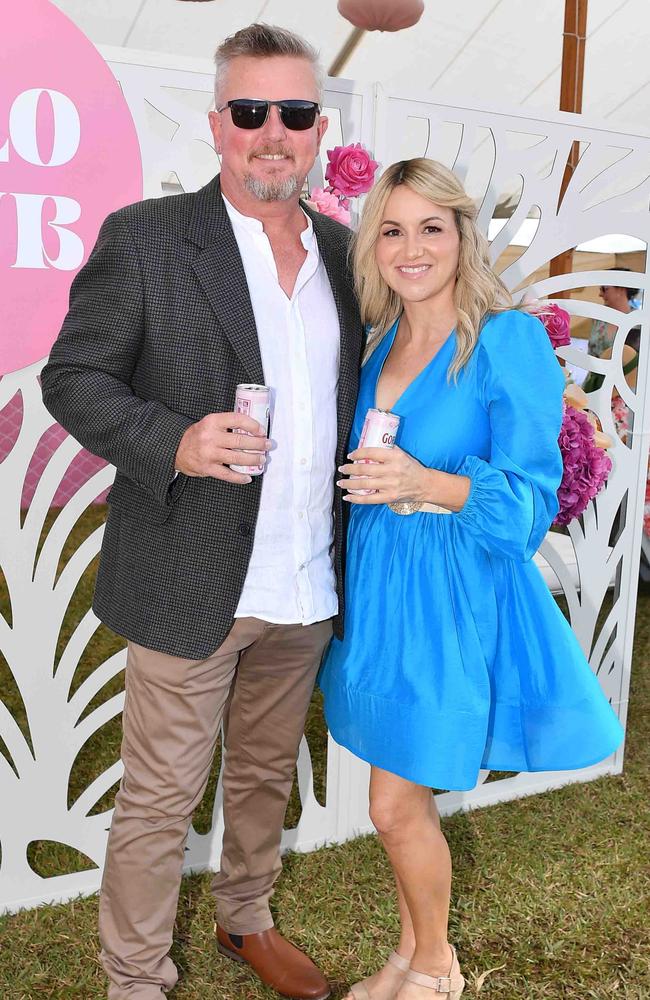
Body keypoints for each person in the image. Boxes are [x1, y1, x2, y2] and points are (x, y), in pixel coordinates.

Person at [41, 23, 362, 1000]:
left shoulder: (349, 255)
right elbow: (75, 377)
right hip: (189, 576)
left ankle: (245, 920)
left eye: (295, 112)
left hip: (305, 581)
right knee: (159, 799)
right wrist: (173, 440)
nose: (274, 132)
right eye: (251, 111)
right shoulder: (145, 237)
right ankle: (134, 976)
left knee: (263, 777)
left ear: (316, 129)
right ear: (219, 123)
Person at [319, 158, 624, 1000]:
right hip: (382, 585)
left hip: (453, 593)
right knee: (396, 793)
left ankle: (437, 967)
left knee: (391, 805)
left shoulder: (505, 339)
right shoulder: (378, 339)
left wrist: (426, 482)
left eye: (430, 227)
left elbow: (529, 504)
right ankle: (416, 953)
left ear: (462, 236)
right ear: (372, 244)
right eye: (392, 229)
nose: (410, 247)